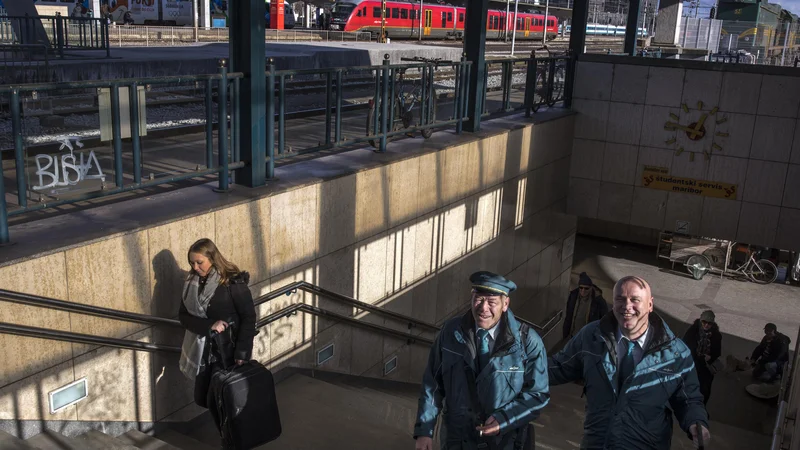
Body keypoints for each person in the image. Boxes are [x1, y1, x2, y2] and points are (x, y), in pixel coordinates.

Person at [548, 275, 711, 449]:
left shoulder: (675, 353)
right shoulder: (591, 337)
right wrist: (517, 369)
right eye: (620, 299)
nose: (627, 306)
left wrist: (696, 422)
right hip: (597, 443)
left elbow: (689, 399)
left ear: (650, 304)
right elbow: (557, 367)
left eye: (635, 300)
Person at [413, 271, 550, 450]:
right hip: (457, 440)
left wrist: (505, 418)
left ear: (505, 304)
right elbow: (433, 385)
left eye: (492, 302)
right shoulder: (451, 333)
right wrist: (424, 430)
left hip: (504, 442)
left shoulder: (527, 342)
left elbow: (537, 394)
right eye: (478, 299)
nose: (483, 308)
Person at [178, 238, 257, 424]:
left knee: (225, 400)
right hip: (203, 354)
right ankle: (229, 433)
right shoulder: (191, 283)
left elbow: (248, 317)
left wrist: (242, 352)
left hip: (228, 353)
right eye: (191, 262)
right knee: (205, 399)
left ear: (212, 258)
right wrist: (209, 325)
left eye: (199, 262)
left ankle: (231, 438)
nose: (195, 267)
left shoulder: (232, 282)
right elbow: (183, 316)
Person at [682, 310, 722, 405]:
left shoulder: (716, 335)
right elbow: (685, 345)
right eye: (704, 322)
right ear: (701, 320)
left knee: (705, 389)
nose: (706, 325)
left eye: (709, 323)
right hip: (693, 363)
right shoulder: (693, 331)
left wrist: (711, 357)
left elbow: (717, 351)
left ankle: (701, 408)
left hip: (706, 366)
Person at [562, 272, 607, 340]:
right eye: (581, 287)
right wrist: (565, 334)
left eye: (586, 288)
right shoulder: (573, 296)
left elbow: (604, 320)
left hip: (588, 337)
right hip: (573, 335)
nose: (583, 290)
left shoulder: (598, 301)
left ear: (591, 288)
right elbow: (569, 316)